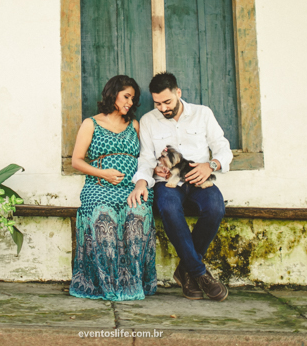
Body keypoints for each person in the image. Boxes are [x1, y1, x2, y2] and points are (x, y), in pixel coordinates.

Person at [127, 72, 232, 302]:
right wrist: (145, 179)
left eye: (168, 102)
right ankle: (199, 273)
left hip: (199, 179)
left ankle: (185, 269)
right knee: (169, 209)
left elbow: (223, 148)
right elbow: (145, 159)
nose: (163, 108)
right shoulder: (148, 121)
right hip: (168, 182)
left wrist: (211, 165)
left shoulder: (202, 113)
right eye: (158, 103)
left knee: (215, 208)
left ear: (178, 93)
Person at [69, 75, 157, 301]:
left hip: (130, 187)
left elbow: (144, 158)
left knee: (138, 213)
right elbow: (76, 161)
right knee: (104, 216)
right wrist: (103, 173)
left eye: (133, 99)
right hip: (98, 186)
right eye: (126, 96)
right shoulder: (91, 123)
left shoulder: (134, 125)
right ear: (113, 94)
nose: (130, 102)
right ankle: (106, 285)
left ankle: (132, 284)